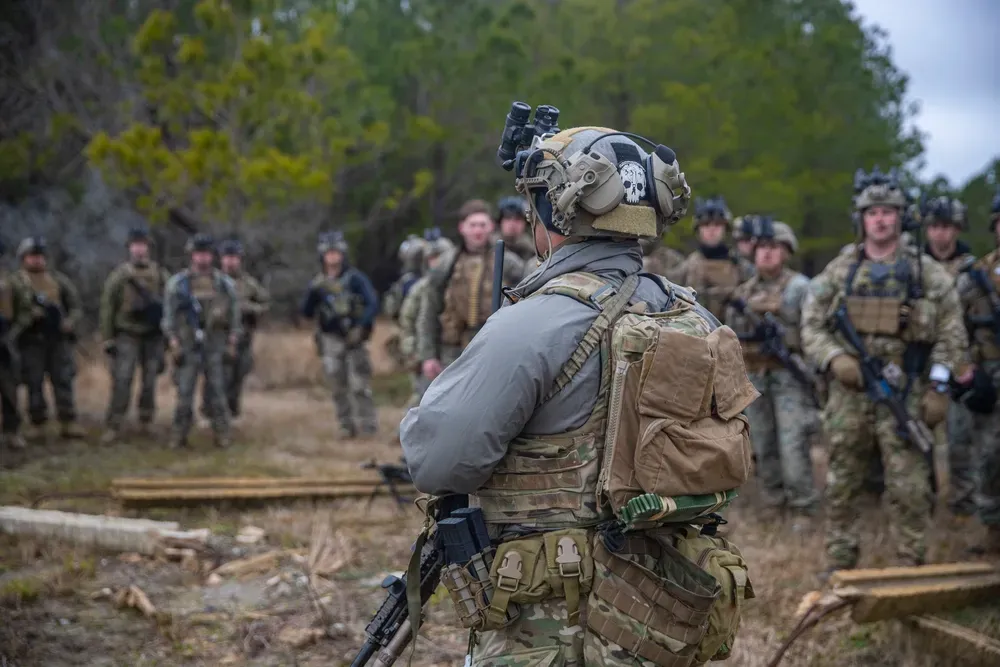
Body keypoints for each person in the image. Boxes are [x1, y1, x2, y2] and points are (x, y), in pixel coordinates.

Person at [402, 124, 756, 665]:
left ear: (553, 211)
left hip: (552, 626)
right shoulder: (696, 318)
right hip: (657, 615)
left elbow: (438, 462)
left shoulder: (531, 324)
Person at [802, 167, 966, 572]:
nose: (880, 219)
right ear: (862, 218)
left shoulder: (924, 272)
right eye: (872, 212)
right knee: (842, 480)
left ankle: (910, 562)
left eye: (888, 212)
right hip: (849, 393)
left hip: (904, 390)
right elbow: (811, 323)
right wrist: (835, 359)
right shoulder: (842, 270)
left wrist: (939, 384)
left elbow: (952, 330)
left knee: (909, 485)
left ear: (900, 217)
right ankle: (840, 562)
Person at [726, 219, 817, 518]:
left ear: (787, 251)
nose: (766, 253)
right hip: (754, 377)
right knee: (763, 444)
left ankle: (803, 506)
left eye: (774, 247)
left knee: (793, 444)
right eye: (761, 247)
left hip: (789, 376)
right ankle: (774, 502)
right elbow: (730, 340)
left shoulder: (800, 289)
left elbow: (815, 333)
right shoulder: (741, 294)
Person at [416, 199, 524, 381]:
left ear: (490, 226)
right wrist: (429, 355)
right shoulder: (447, 263)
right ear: (462, 228)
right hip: (454, 352)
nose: (477, 231)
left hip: (496, 350)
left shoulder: (508, 262)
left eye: (482, 225)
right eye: (472, 225)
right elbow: (430, 310)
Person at [919, 197, 978, 517]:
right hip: (919, 363)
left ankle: (963, 504)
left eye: (947, 227)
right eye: (935, 227)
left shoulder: (972, 272)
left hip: (959, 364)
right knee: (918, 436)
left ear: (957, 229)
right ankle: (924, 499)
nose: (941, 234)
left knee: (959, 439)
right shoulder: (913, 266)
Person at [953, 190, 1000, 552]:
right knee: (990, 453)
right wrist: (968, 369)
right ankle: (993, 530)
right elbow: (955, 328)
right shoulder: (976, 276)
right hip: (991, 373)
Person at [163, 233, 241, 449]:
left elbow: (234, 317)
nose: (202, 258)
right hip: (187, 345)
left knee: (217, 391)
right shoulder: (178, 284)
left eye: (206, 254)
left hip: (215, 344)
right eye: (198, 254)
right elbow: (169, 317)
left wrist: (232, 342)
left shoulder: (224, 284)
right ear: (191, 255)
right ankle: (179, 435)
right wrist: (174, 343)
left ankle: (223, 434)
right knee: (184, 394)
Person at [301, 230, 380, 438]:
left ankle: (368, 425)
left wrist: (361, 326)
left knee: (359, 385)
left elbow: (372, 303)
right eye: (329, 253)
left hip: (354, 337)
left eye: (336, 252)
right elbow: (306, 311)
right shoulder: (319, 283)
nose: (333, 257)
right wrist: (313, 293)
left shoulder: (355, 279)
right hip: (330, 338)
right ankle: (346, 426)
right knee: (337, 385)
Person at [7, 237, 84, 440]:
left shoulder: (58, 280)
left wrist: (69, 322)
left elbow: (75, 306)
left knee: (63, 379)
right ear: (23, 258)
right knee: (34, 382)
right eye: (32, 256)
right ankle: (37, 422)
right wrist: (28, 317)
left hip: (58, 339)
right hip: (31, 339)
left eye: (40, 256)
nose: (37, 260)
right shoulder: (15, 283)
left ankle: (68, 420)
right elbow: (8, 310)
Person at [99, 227, 171, 443]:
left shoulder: (160, 274)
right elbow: (107, 307)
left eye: (143, 245)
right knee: (122, 379)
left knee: (150, 380)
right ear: (130, 248)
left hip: (153, 336)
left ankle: (146, 421)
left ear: (148, 248)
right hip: (127, 334)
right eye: (136, 245)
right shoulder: (120, 276)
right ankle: (114, 424)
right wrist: (108, 337)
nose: (139, 250)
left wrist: (168, 335)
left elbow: (171, 302)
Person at [672, 196, 754, 320]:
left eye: (717, 224)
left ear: (726, 229)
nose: (711, 229)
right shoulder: (689, 266)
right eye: (705, 225)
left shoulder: (740, 266)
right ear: (698, 230)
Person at [398, 231, 454, 407]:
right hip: (425, 351)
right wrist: (412, 347)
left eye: (440, 257)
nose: (436, 262)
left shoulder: (458, 284)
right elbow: (408, 320)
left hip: (451, 349)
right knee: (423, 399)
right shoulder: (420, 289)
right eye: (432, 258)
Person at [215, 239, 269, 418]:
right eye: (227, 257)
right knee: (221, 377)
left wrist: (247, 307)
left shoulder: (249, 284)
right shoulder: (214, 281)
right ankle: (217, 413)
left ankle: (232, 412)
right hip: (218, 336)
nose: (230, 262)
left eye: (234, 258)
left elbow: (265, 305)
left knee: (238, 376)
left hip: (243, 338)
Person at [0, 238, 25, 452]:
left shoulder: (9, 282)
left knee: (9, 389)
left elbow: (20, 310)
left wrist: (14, 332)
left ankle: (12, 432)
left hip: (4, 340)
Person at [496, 195, 536, 262]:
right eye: (508, 218)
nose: (512, 224)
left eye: (517, 219)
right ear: (500, 222)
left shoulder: (534, 250)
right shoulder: (490, 248)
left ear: (525, 223)